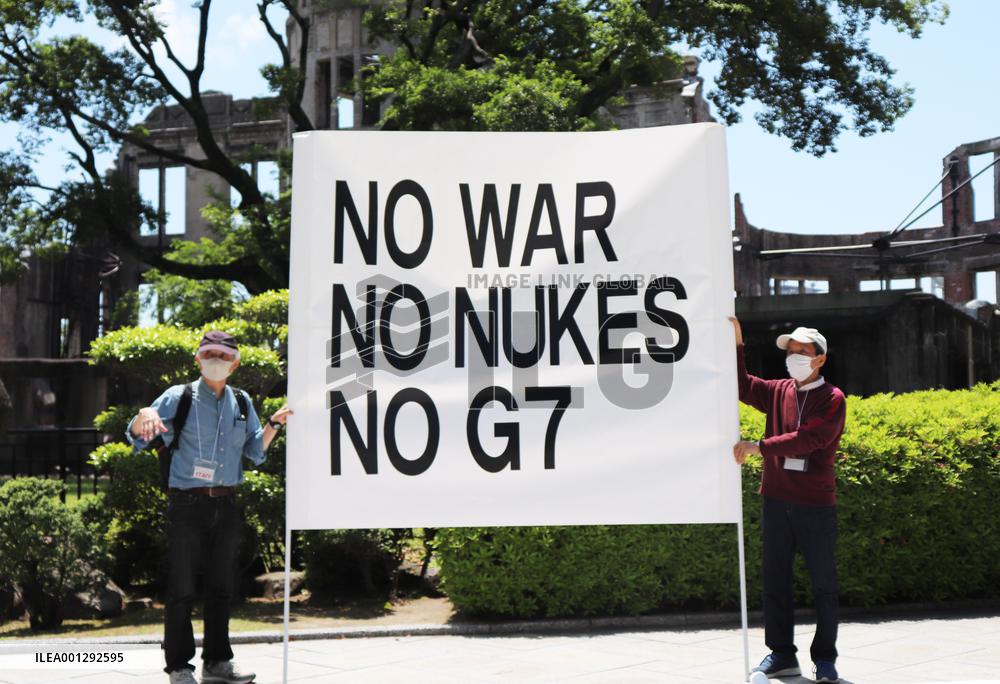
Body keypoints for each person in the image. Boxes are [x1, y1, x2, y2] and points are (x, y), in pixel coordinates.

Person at [127, 330, 292, 684]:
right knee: (182, 588)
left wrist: (274, 425)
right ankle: (180, 667)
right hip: (186, 504)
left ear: (235, 363)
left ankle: (217, 662)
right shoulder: (179, 397)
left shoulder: (242, 402)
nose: (216, 360)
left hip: (226, 503)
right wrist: (142, 415)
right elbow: (138, 435)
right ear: (198, 359)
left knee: (221, 587)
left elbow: (253, 453)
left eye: (223, 355)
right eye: (209, 354)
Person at [730, 317, 846, 684]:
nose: (794, 356)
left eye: (802, 352)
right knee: (775, 581)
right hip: (777, 500)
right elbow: (742, 386)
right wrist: (736, 345)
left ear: (820, 360)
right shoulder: (779, 390)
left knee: (824, 585)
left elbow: (808, 439)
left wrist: (759, 446)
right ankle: (781, 655)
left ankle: (825, 660)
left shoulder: (833, 399)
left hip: (814, 504)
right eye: (791, 351)